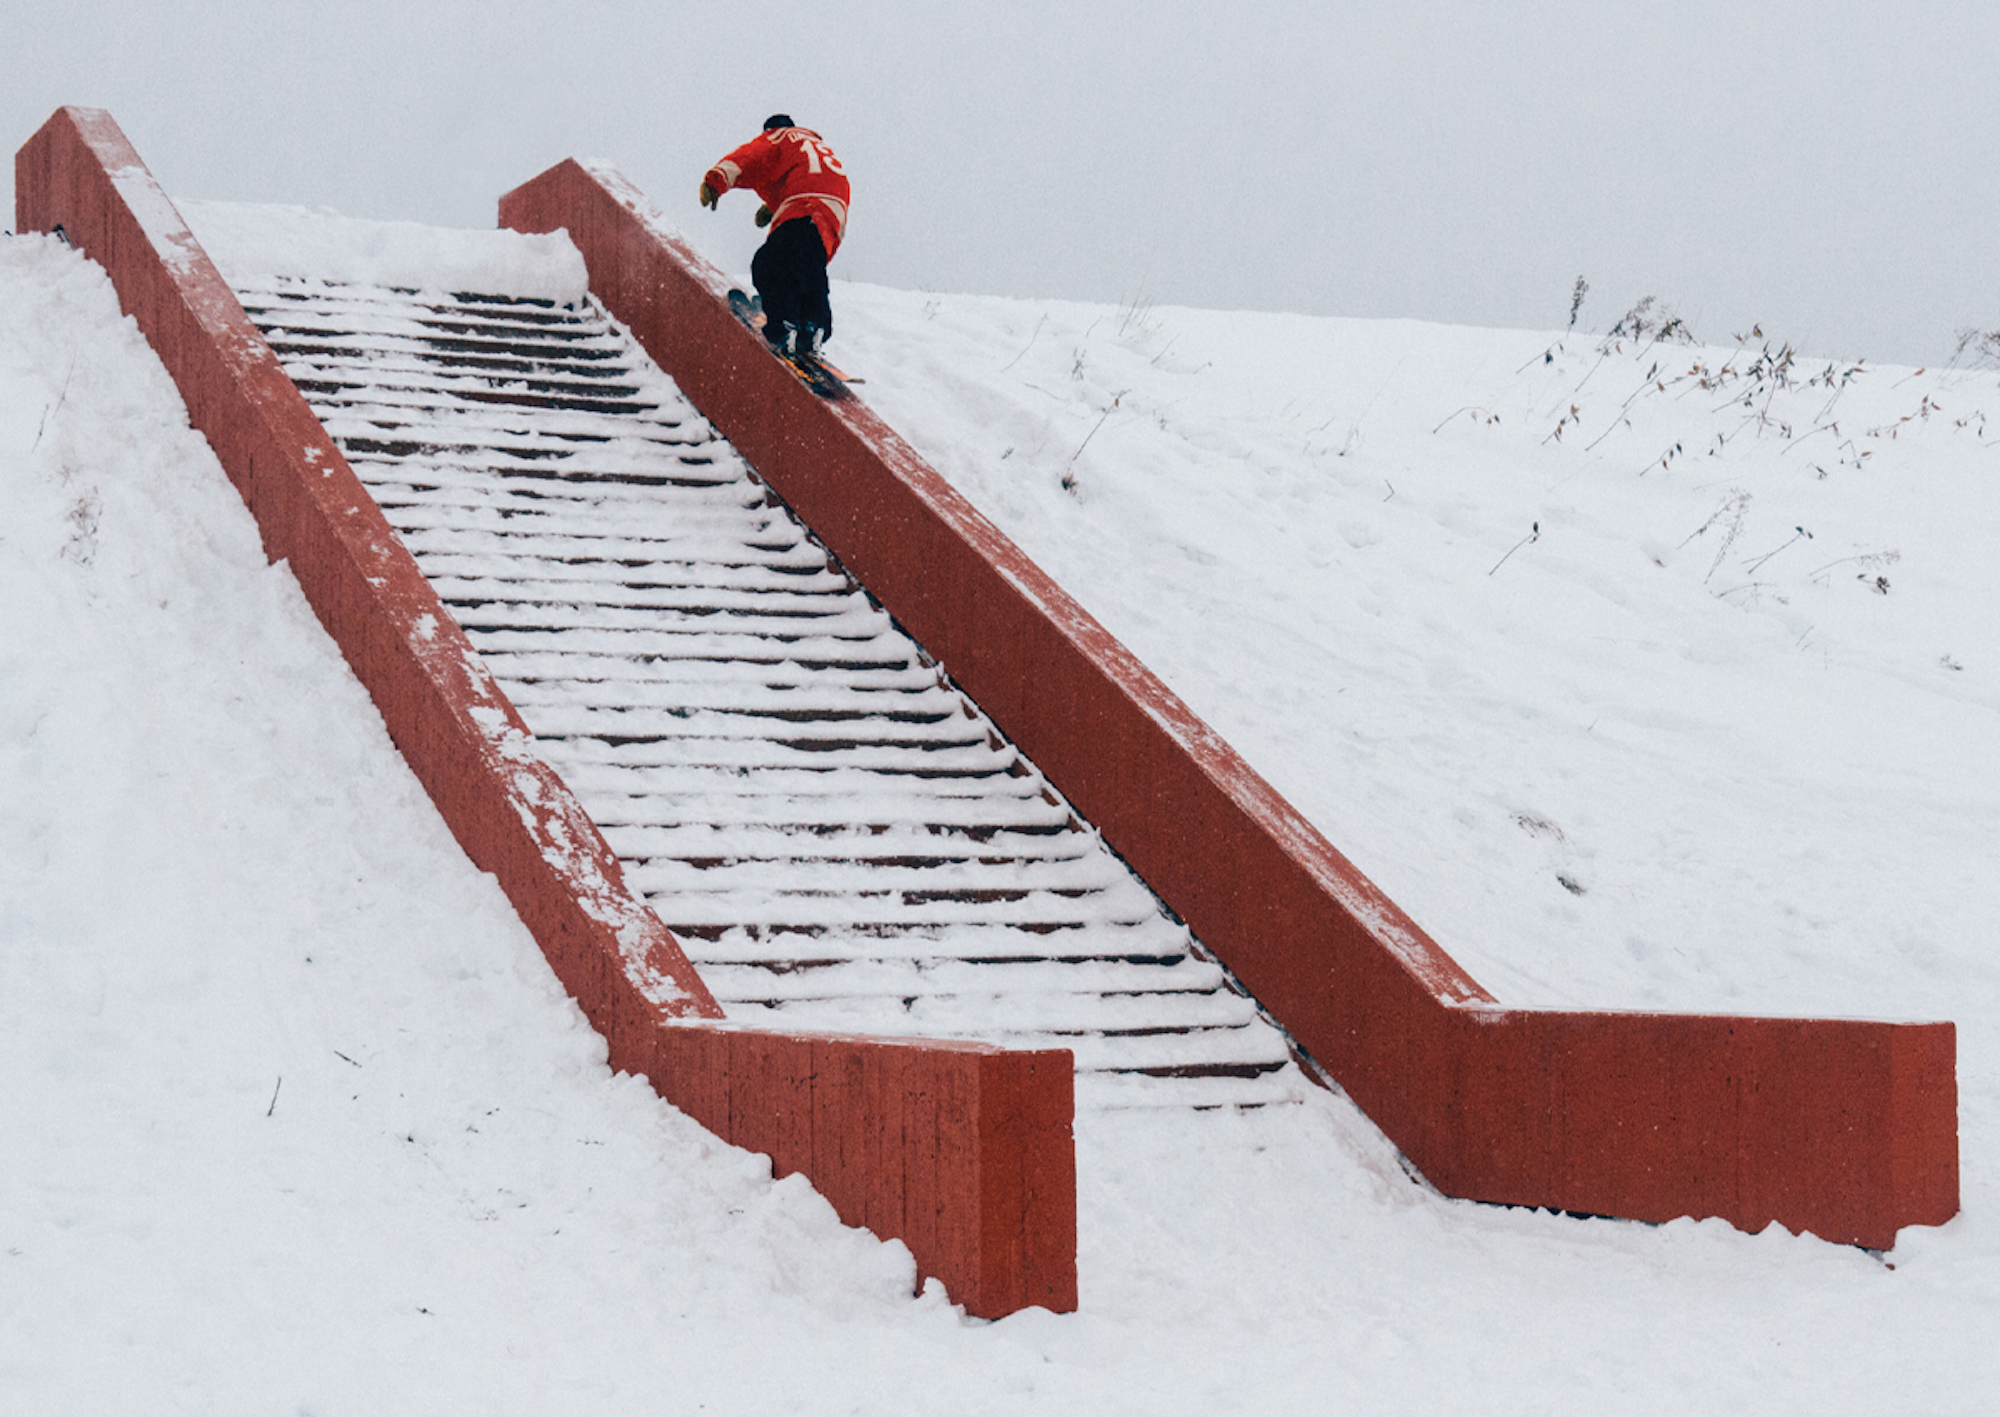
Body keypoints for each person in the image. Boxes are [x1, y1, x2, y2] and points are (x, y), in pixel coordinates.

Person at [699, 115, 850, 358]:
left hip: (805, 202)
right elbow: (804, 172)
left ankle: (784, 325)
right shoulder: (814, 145)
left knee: (768, 263)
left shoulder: (777, 136)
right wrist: (775, 206)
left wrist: (716, 180)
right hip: (835, 209)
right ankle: (813, 325)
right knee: (807, 264)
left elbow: (749, 157)